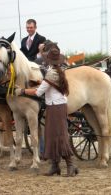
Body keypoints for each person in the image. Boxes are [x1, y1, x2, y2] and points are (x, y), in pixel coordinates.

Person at [15, 42, 78, 177]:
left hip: (56, 107)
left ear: (49, 60)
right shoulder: (58, 72)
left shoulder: (50, 74)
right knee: (52, 135)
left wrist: (22, 90)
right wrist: (39, 84)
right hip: (56, 106)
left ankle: (70, 165)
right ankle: (55, 166)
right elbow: (47, 86)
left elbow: (38, 93)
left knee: (60, 136)